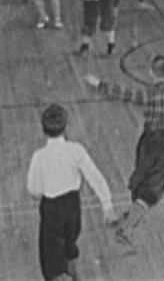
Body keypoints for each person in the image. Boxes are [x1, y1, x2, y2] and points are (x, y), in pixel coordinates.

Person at [86, 54, 164, 252]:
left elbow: (125, 93)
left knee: (143, 179)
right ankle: (128, 225)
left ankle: (131, 217)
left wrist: (100, 84)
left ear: (151, 74)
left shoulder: (150, 95)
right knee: (155, 185)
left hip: (149, 142)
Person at [26, 104, 116, 281]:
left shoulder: (39, 156)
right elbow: (95, 177)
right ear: (66, 127)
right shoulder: (76, 150)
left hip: (52, 208)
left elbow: (33, 190)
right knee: (68, 247)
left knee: (52, 262)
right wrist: (107, 206)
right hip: (73, 206)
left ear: (43, 130)